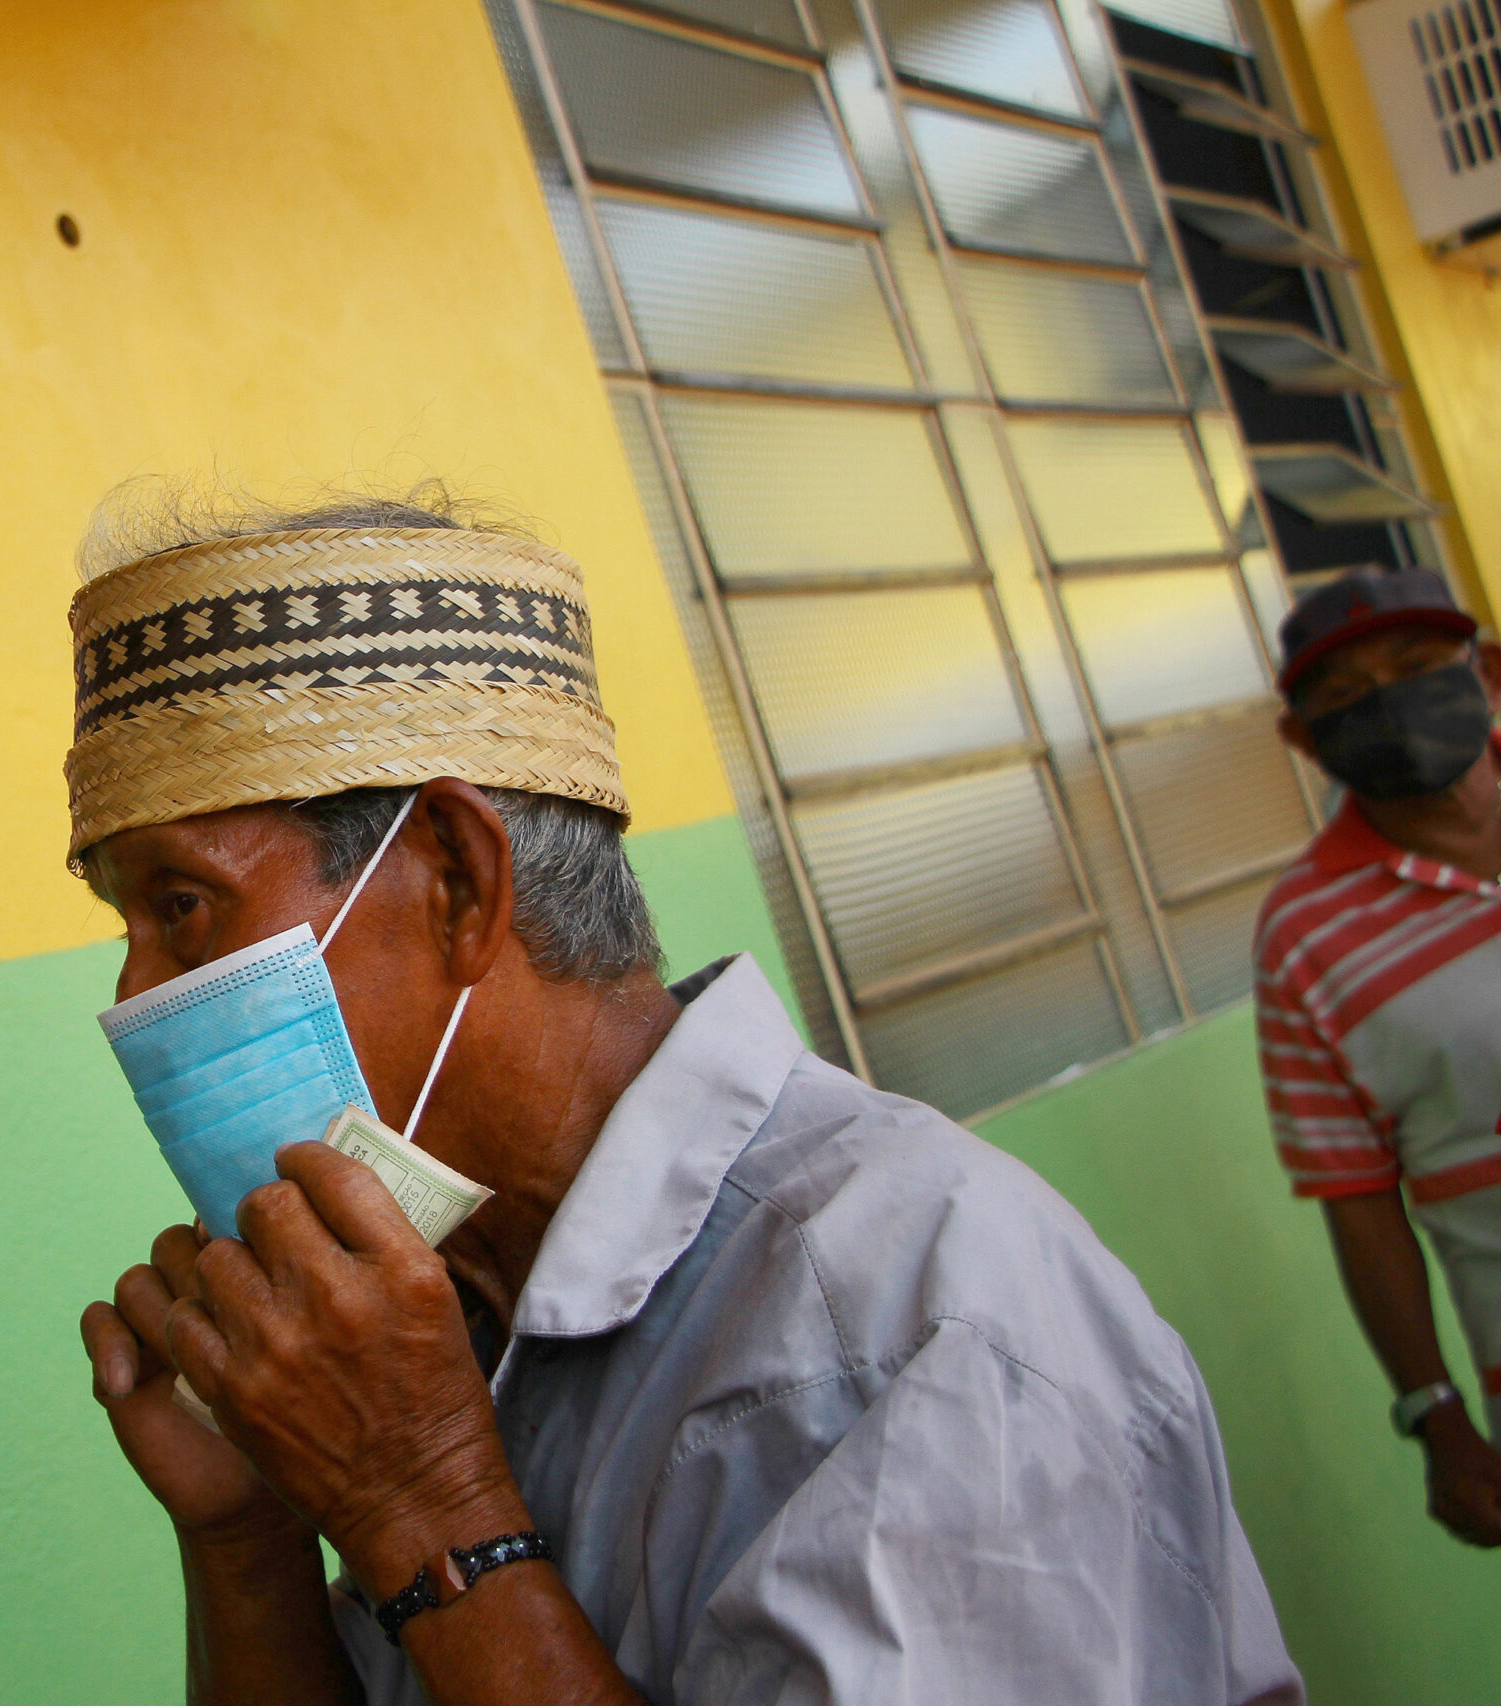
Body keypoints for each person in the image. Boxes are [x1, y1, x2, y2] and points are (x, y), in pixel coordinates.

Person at [68, 485, 1298, 1704]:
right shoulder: (435, 1314)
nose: (134, 989)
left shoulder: (907, 1304)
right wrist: (251, 1542)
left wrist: (421, 1505)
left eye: (180, 906)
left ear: (454, 879)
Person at [1256, 567, 1501, 1546]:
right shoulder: (1303, 934)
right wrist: (1432, 1411)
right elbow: (1355, 1196)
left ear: (1482, 669)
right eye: (1347, 696)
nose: (1390, 703)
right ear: (1302, 739)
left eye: (1414, 667)